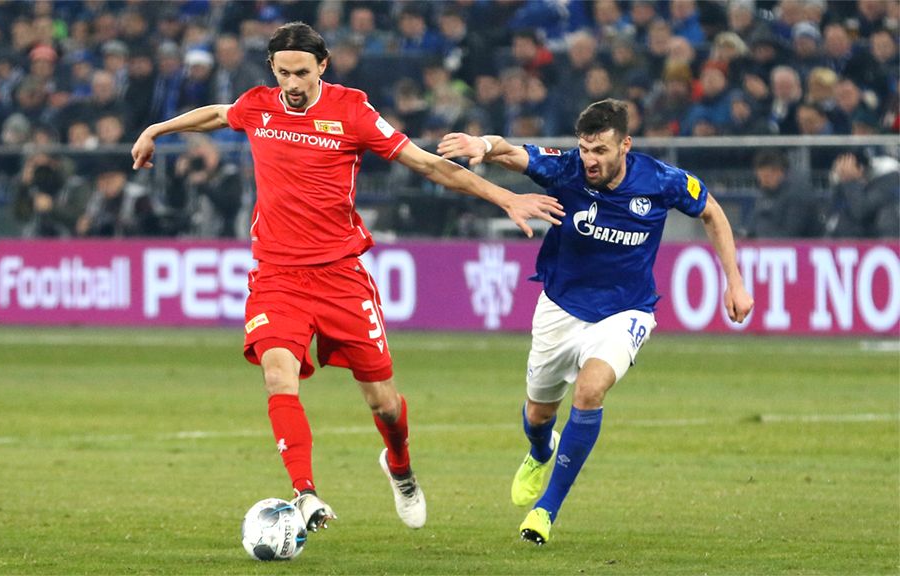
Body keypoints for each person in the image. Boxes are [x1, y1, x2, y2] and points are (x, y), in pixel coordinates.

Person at [130, 22, 562, 534]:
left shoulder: (352, 111)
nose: (292, 83)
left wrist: (505, 196)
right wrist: (157, 129)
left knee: (384, 403)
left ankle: (400, 466)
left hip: (340, 276)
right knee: (278, 376)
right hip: (277, 274)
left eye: (302, 72)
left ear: (323, 66)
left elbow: (429, 166)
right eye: (283, 72)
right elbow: (220, 114)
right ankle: (305, 494)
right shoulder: (259, 105)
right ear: (272, 69)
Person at [437, 99, 754, 544]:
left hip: (626, 311)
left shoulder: (660, 180)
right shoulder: (565, 168)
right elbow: (512, 152)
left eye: (601, 150)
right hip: (561, 308)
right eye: (585, 149)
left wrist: (734, 281)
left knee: (589, 391)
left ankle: (545, 510)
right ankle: (540, 450)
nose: (590, 160)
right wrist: (484, 146)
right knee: (538, 414)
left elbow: (711, 211)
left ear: (625, 145)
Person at [744, 149, 823, 238]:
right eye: (760, 179)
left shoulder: (798, 193)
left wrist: (763, 239)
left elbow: (791, 233)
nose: (762, 183)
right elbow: (752, 226)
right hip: (766, 242)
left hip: (798, 244)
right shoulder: (767, 192)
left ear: (779, 172)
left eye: (766, 178)